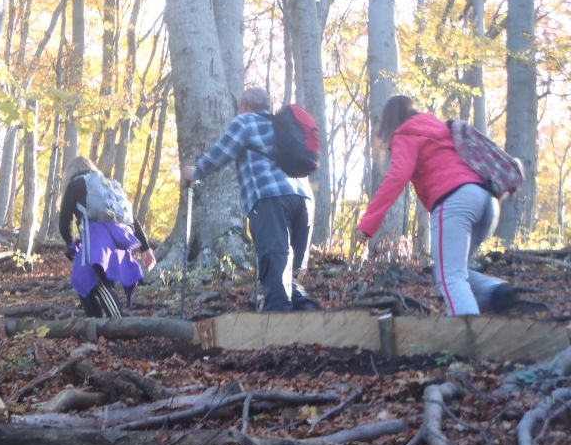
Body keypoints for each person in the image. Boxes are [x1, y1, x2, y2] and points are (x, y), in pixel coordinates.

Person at [355, 95, 516, 316]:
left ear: (390, 121)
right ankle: (496, 291)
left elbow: (397, 176)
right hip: (486, 200)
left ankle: (467, 341)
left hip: (454, 200)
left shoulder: (405, 133)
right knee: (456, 271)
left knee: (451, 277)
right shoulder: (440, 129)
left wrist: (367, 225)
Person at [181, 87, 318, 312]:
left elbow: (221, 153)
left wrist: (196, 172)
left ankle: (277, 329)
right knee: (291, 274)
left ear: (244, 107)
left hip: (269, 198)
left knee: (275, 269)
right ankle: (308, 319)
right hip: (303, 199)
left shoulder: (245, 122)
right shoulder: (282, 126)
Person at [58, 157, 156, 317]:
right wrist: (145, 247)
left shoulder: (74, 185)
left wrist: (70, 245)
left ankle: (117, 323)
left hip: (97, 237)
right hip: (120, 235)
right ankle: (99, 325)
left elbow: (64, 222)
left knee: (92, 278)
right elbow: (133, 219)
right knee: (85, 278)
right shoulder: (107, 184)